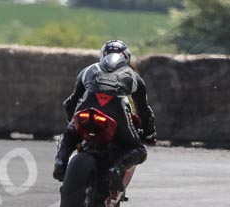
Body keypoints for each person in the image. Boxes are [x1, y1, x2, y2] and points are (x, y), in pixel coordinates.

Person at [53, 40, 156, 191]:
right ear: (126, 58)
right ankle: (116, 169)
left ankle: (60, 162)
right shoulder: (133, 76)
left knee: (69, 134)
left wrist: (72, 123)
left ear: (102, 55)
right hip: (117, 112)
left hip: (87, 108)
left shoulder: (88, 70)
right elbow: (144, 111)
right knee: (139, 150)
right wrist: (149, 133)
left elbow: (70, 103)